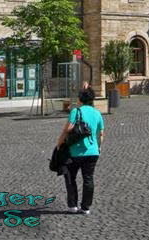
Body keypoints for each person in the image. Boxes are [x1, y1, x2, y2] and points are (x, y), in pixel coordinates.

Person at [56, 87, 104, 215]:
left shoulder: (76, 111)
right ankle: (86, 207)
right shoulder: (97, 113)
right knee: (88, 179)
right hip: (93, 152)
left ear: (80, 99)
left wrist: (59, 143)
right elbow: (101, 134)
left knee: (71, 178)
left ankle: (73, 206)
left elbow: (67, 129)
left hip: (75, 152)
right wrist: (99, 147)